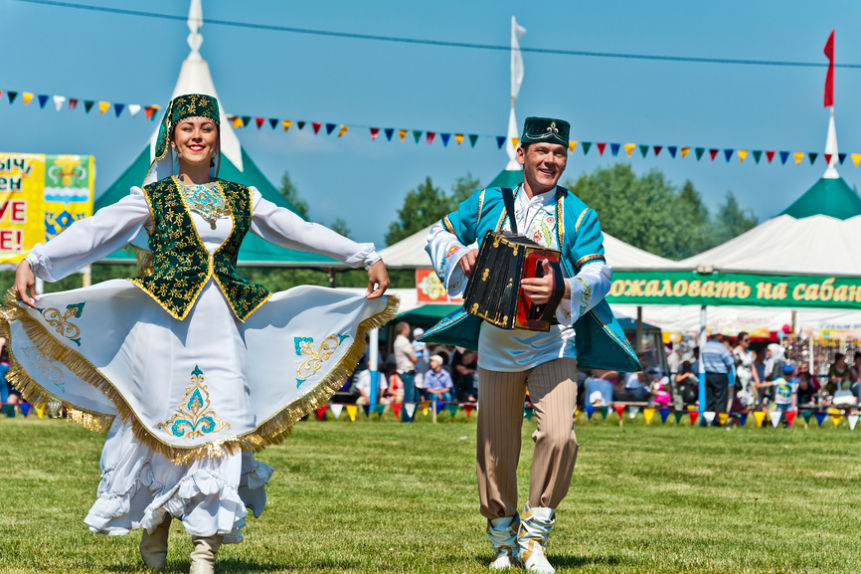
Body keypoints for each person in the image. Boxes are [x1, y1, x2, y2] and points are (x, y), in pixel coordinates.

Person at [4, 94, 394, 574]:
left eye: (205, 128)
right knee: (156, 424)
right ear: (172, 138)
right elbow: (95, 232)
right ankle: (157, 524)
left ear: (216, 140)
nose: (195, 135)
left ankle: (204, 549)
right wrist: (36, 261)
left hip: (225, 328)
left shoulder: (241, 196)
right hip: (163, 328)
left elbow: (298, 230)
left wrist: (362, 254)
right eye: (186, 127)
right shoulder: (153, 197)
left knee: (223, 426)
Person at [424, 116, 639, 573]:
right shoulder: (487, 201)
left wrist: (563, 287)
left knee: (560, 435)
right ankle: (502, 540)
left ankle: (535, 533)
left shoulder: (579, 213)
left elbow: (600, 272)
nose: (550, 160)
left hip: (553, 343)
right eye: (541, 151)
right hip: (497, 343)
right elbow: (436, 234)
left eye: (559, 153)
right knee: (496, 447)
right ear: (521, 155)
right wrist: (458, 254)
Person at [701, 334, 735, 418]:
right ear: (717, 336)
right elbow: (729, 362)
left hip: (708, 375)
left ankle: (707, 420)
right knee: (721, 400)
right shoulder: (720, 347)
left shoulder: (705, 347)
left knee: (709, 399)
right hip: (720, 375)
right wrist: (726, 370)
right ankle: (718, 420)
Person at [392, 322, 419, 408]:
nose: (410, 330)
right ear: (404, 330)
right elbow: (414, 358)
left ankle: (408, 418)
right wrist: (419, 351)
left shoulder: (398, 340)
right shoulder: (404, 341)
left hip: (403, 371)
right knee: (409, 398)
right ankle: (407, 419)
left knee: (414, 396)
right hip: (407, 372)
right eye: (408, 328)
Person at [732, 332, 759, 408]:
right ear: (740, 341)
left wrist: (757, 380)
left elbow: (752, 367)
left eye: (749, 340)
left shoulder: (748, 352)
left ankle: (739, 419)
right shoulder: (735, 352)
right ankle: (736, 419)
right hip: (739, 384)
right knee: (740, 405)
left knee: (749, 405)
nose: (748, 342)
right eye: (746, 340)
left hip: (748, 383)